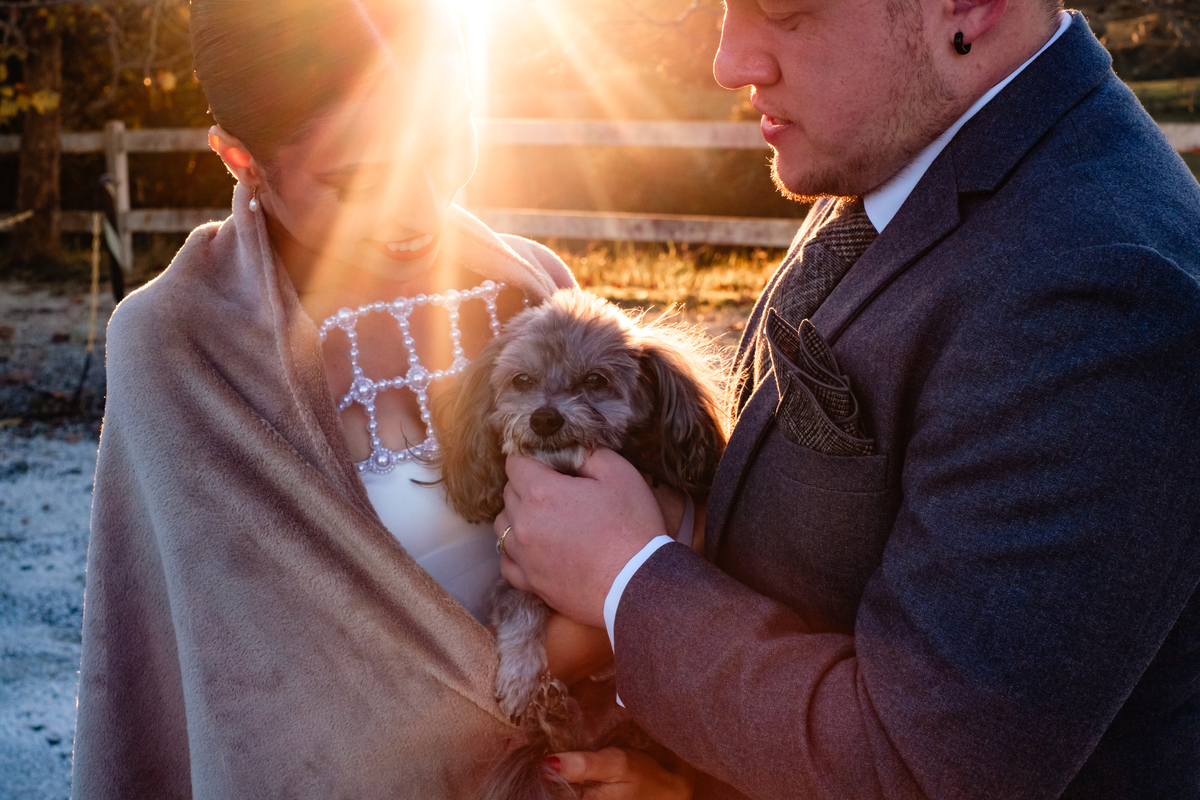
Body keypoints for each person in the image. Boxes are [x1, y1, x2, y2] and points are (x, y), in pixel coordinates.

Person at [496, 0, 1200, 797]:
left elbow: (920, 766)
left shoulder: (1100, 288)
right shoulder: (903, 143)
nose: (731, 63)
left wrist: (628, 579)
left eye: (785, 14)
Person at [69, 0, 618, 796]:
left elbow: (628, 571)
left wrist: (641, 759)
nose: (417, 207)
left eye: (445, 142)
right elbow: (240, 692)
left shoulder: (534, 295)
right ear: (239, 158)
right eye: (356, 179)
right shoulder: (175, 345)